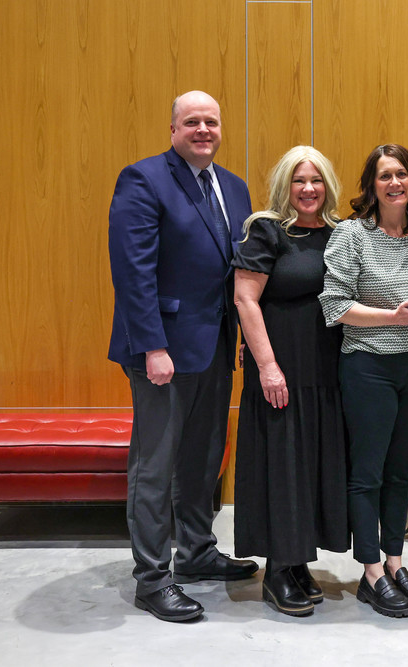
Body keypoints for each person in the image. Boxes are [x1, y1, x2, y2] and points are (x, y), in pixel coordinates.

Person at [108, 90, 258, 622]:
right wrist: (152, 346)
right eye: (191, 121)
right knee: (155, 466)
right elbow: (132, 273)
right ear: (173, 128)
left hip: (216, 349)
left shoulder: (234, 187)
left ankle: (195, 552)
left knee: (201, 460)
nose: (203, 130)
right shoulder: (144, 180)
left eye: (211, 122)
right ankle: (152, 577)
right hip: (163, 352)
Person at [319, 144, 408, 619]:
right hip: (368, 365)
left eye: (403, 175)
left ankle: (395, 561)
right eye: (385, 175)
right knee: (367, 472)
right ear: (372, 184)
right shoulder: (351, 235)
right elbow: (335, 306)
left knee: (400, 470)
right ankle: (370, 571)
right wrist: (393, 318)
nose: (395, 183)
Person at [232, 146, 348, 617]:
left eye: (316, 180)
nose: (308, 189)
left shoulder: (341, 234)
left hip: (327, 368)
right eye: (299, 180)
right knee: (282, 461)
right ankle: (277, 570)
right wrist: (267, 366)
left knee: (313, 463)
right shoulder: (267, 231)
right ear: (285, 186)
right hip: (282, 369)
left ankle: (299, 559)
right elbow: (245, 299)